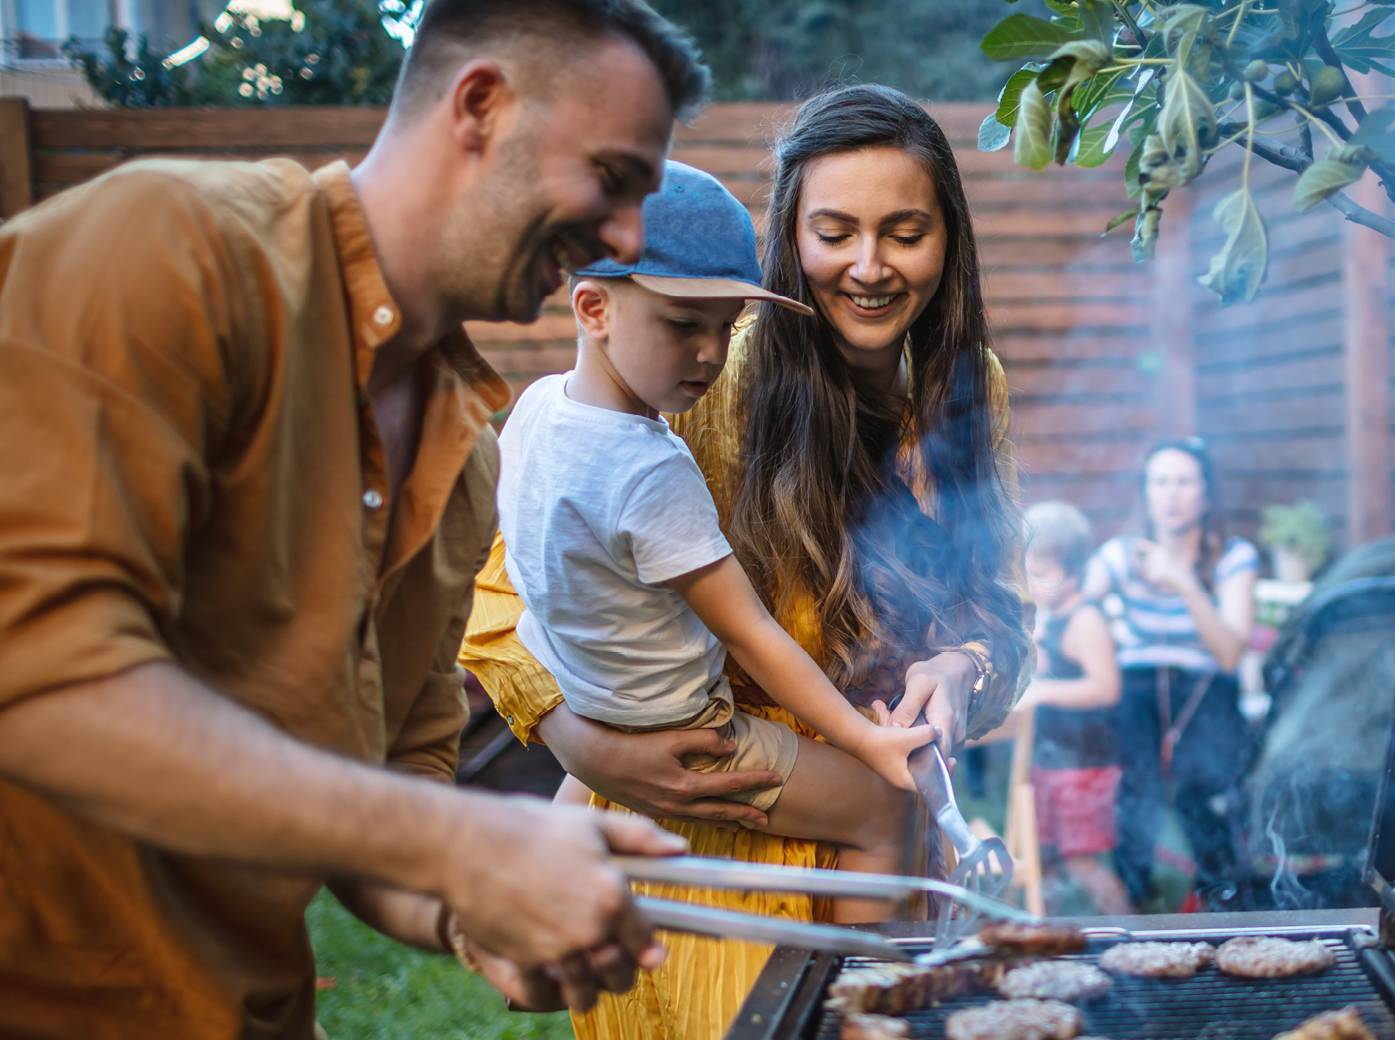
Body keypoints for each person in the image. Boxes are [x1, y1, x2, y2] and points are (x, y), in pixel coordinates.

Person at [0, 1, 720, 1034]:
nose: (624, 238)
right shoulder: (171, 250)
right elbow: (36, 669)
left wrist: (470, 906)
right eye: (612, 179)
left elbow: (385, 783)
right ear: (480, 105)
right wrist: (456, 842)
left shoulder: (468, 452)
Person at [461, 84, 1032, 1038]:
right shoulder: (704, 366)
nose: (870, 267)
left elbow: (1001, 609)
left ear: (949, 241)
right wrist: (583, 745)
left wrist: (963, 669)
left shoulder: (974, 389)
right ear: (787, 238)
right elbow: (508, 595)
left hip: (884, 854)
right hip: (710, 838)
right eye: (835, 231)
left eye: (905, 232)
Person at [501, 160, 934, 921]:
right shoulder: (650, 468)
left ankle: (524, 911)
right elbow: (751, 635)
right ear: (593, 307)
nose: (710, 353)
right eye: (681, 325)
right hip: (685, 728)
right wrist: (867, 746)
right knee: (882, 812)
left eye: (726, 325)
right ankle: (866, 1004)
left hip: (587, 693)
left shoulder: (536, 409)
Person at [1083, 438, 1261, 912]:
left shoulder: (1233, 557)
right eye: (1160, 482)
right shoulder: (1121, 554)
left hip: (1206, 685)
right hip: (1138, 683)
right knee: (1136, 792)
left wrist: (1183, 582)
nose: (1171, 494)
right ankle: (1136, 902)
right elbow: (1074, 601)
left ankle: (1225, 901)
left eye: (1184, 482)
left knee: (1204, 788)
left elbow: (1228, 654)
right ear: (1145, 492)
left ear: (1206, 494)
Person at [1011, 501, 1129, 915]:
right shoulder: (1052, 615)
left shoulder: (1085, 620)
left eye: (1042, 575)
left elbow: (1105, 687)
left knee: (1081, 862)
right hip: (1053, 758)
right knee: (1049, 856)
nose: (1033, 583)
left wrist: (1043, 692)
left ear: (1071, 570)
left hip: (1085, 766)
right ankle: (1055, 935)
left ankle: (1132, 932)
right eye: (1030, 573)